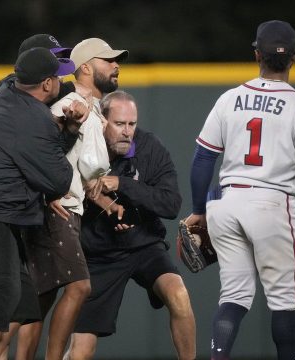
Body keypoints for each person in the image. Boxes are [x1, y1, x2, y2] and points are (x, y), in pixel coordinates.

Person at [184, 20, 295, 360]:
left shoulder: (230, 98)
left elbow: (202, 159)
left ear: (257, 54)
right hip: (272, 204)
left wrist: (199, 210)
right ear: (294, 58)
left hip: (227, 204)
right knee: (284, 301)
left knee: (234, 296)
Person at [0, 47, 89, 360]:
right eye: (56, 79)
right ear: (46, 84)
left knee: (20, 308)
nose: (61, 83)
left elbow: (53, 92)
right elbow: (58, 180)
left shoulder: (5, 90)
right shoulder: (35, 121)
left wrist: (68, 101)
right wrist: (72, 126)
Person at [15, 37, 129, 360]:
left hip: (61, 209)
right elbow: (86, 164)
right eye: (108, 60)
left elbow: (84, 170)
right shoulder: (71, 105)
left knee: (41, 297)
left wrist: (108, 202)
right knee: (79, 287)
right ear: (86, 68)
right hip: (58, 210)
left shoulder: (87, 108)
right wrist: (45, 190)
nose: (116, 65)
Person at [63, 91, 196, 360]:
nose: (127, 132)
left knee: (178, 295)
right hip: (99, 255)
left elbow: (171, 205)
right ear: (103, 121)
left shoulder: (149, 148)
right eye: (119, 124)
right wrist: (107, 210)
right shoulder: (83, 146)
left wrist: (123, 184)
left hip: (144, 245)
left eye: (132, 124)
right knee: (81, 350)